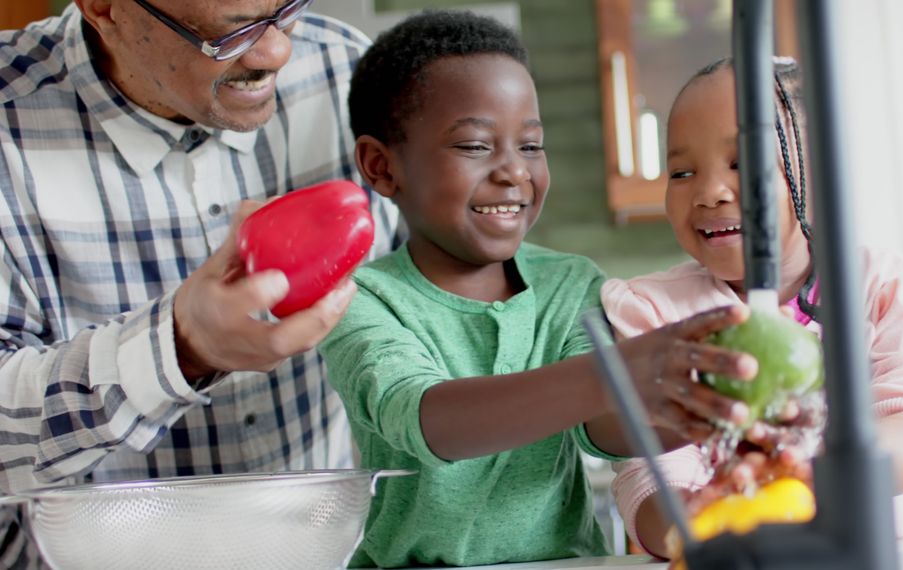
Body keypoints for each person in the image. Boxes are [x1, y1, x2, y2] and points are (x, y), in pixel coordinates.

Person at [318, 10, 760, 569]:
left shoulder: (570, 283)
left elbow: (604, 428)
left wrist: (710, 409)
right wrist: (618, 371)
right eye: (476, 147)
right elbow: (428, 420)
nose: (514, 172)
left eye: (530, 146)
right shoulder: (360, 299)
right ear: (381, 167)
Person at [0, 1, 401, 566]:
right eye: (228, 33)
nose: (276, 51)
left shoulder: (346, 71)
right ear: (104, 9)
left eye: (286, 8)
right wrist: (179, 348)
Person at [603, 57, 903, 557]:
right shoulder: (653, 310)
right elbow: (646, 473)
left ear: (818, 174)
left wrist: (803, 479)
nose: (709, 192)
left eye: (743, 164)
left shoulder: (884, 287)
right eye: (682, 171)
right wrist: (694, 517)